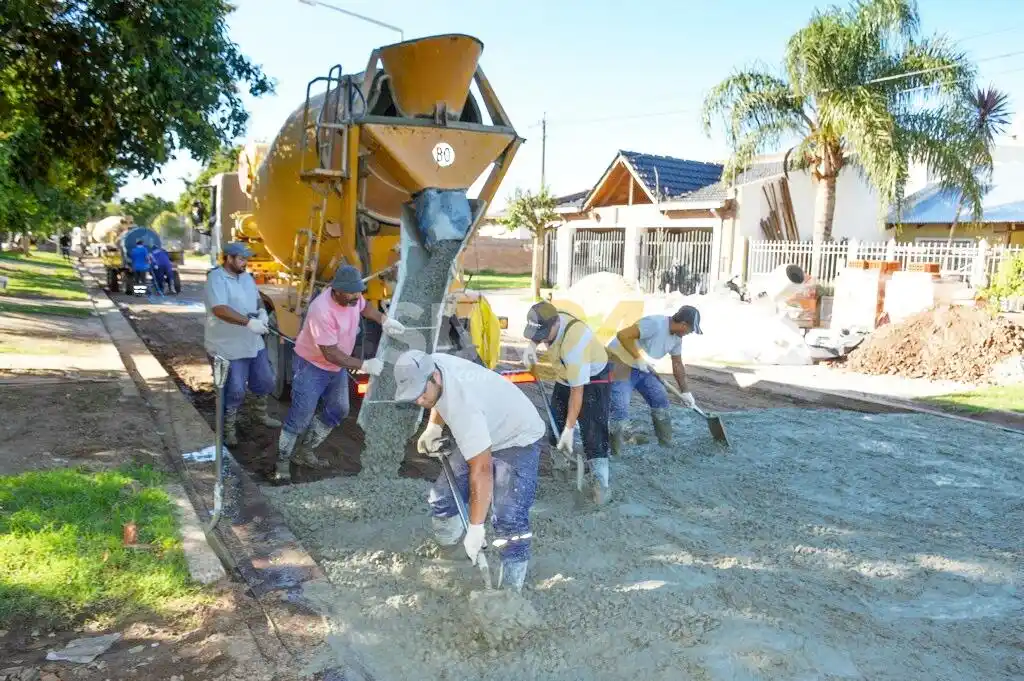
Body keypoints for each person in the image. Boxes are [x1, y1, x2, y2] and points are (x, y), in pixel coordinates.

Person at [394, 348, 545, 592]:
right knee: (442, 499)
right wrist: (433, 427)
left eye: (422, 394)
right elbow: (440, 399)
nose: (419, 401)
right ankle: (452, 554)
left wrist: (476, 528)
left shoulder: (464, 404)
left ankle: (510, 592)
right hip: (485, 424)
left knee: (509, 518)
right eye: (414, 397)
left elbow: (481, 470)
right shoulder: (435, 364)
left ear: (435, 377)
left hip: (517, 435)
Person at [277, 265, 405, 472]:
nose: (357, 296)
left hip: (336, 367)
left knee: (339, 409)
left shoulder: (353, 298)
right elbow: (330, 353)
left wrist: (384, 319)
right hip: (312, 365)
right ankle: (282, 461)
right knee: (301, 415)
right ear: (336, 291)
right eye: (352, 292)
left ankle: (305, 451)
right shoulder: (322, 310)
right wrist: (364, 365)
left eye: (359, 291)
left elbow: (365, 307)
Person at [521, 301, 612, 504]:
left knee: (593, 428)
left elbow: (577, 391)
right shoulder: (550, 318)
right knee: (556, 418)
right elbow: (540, 331)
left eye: (543, 334)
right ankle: (560, 464)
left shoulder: (575, 343)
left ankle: (600, 482)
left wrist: (570, 429)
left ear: (556, 325)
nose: (542, 338)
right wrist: (532, 346)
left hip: (594, 377)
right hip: (565, 374)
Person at [203, 241, 282, 446]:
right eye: (241, 259)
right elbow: (219, 309)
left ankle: (259, 415)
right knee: (235, 389)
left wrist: (262, 312)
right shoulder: (216, 278)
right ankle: (228, 427)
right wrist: (248, 322)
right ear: (228, 258)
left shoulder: (246, 277)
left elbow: (256, 300)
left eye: (246, 259)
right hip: (227, 346)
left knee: (265, 380)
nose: (244, 262)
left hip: (252, 343)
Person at [605, 305, 703, 454]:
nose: (689, 333)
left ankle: (666, 444)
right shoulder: (655, 324)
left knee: (660, 398)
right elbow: (623, 335)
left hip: (643, 368)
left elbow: (677, 363)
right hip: (619, 363)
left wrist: (685, 391)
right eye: (690, 330)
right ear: (683, 324)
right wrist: (637, 358)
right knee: (620, 407)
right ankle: (616, 452)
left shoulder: (677, 338)